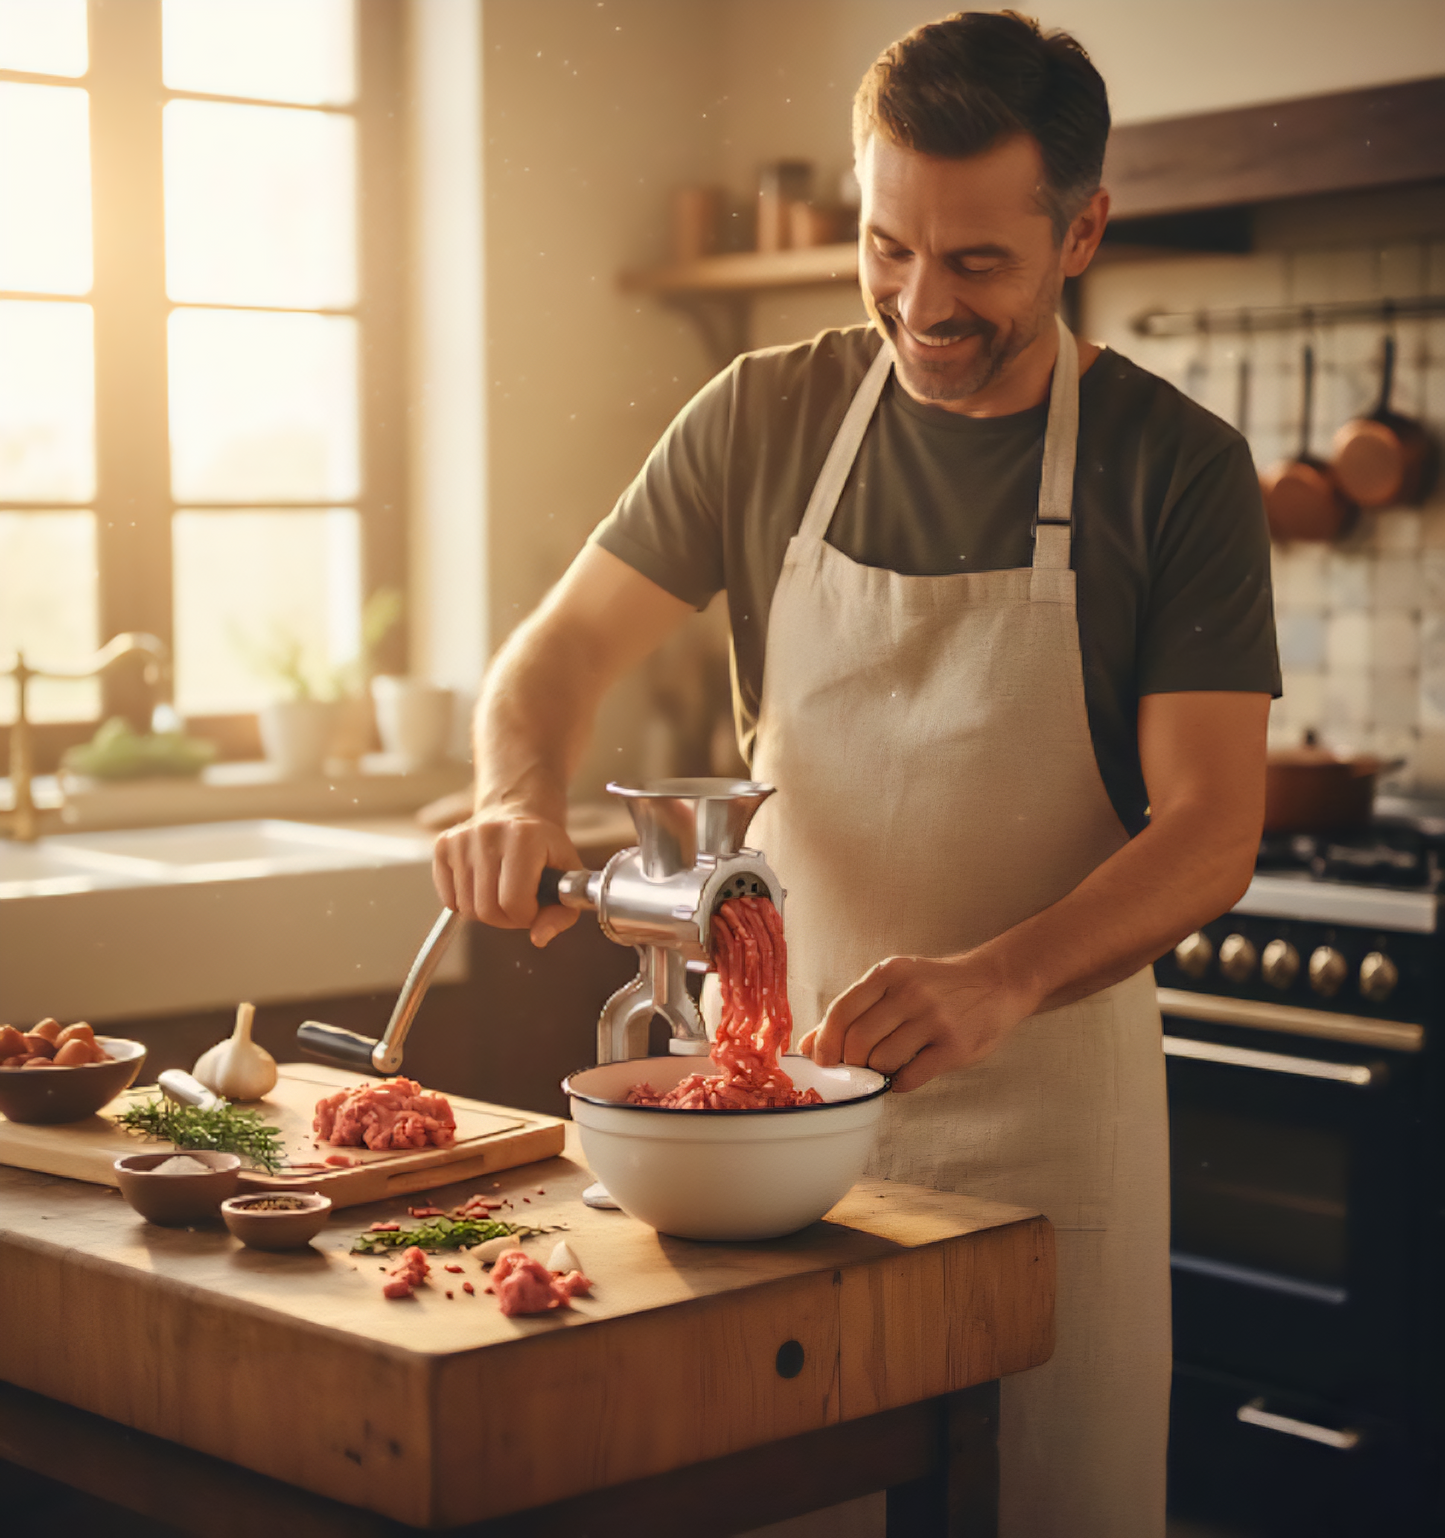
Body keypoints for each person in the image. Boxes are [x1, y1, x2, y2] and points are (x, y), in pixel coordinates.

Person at [432, 11, 1278, 1535]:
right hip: (770, 1117)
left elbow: (1215, 829)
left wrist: (1000, 979)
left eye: (976, 266)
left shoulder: (1174, 467)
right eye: (888, 249)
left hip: (1046, 1127)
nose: (919, 304)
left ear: (1083, 227)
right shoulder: (764, 414)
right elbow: (548, 662)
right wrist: (513, 793)